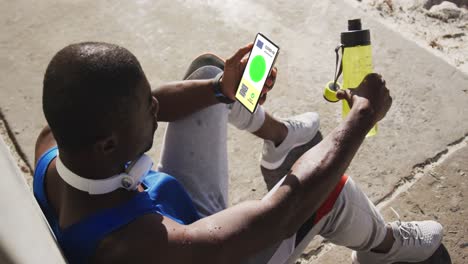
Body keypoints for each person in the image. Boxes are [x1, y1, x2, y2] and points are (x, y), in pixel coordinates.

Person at [33, 42, 443, 264]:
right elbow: (283, 210)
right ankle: (384, 247)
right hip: (201, 249)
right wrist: (362, 117)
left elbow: (151, 101)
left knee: (208, 72)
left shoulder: (53, 144)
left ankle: (280, 137)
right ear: (108, 143)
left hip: (171, 214)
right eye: (147, 106)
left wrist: (219, 90)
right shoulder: (137, 248)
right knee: (330, 193)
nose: (156, 106)